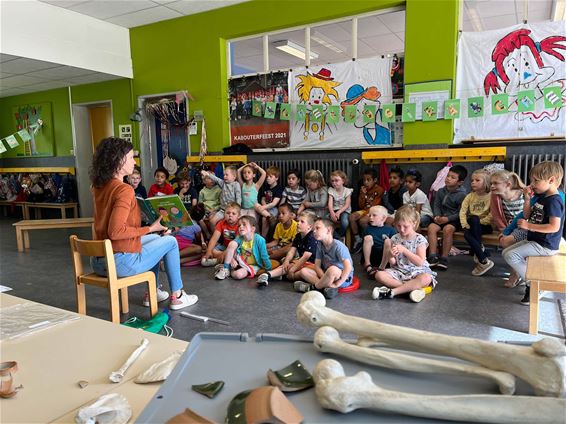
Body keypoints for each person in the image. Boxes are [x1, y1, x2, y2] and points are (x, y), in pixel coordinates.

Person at [89, 137, 198, 310]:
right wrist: (150, 228)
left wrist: (150, 229)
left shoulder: (98, 186)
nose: (134, 161)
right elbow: (116, 231)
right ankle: (177, 296)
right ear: (119, 160)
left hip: (98, 260)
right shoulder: (124, 189)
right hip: (118, 262)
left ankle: (152, 292)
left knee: (155, 239)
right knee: (170, 241)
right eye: (131, 157)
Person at [503, 161, 564, 305]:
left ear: (551, 180)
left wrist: (529, 226)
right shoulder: (543, 196)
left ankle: (536, 285)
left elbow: (554, 227)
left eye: (536, 180)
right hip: (535, 240)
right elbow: (527, 215)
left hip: (546, 245)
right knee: (507, 252)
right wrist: (527, 199)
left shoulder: (554, 201)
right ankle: (532, 282)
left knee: (511, 256)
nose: (532, 184)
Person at [373, 205, 437, 303]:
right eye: (398, 226)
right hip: (400, 271)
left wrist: (404, 250)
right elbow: (393, 263)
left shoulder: (419, 239)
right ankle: (409, 289)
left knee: (426, 278)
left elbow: (420, 262)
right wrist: (391, 254)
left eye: (405, 226)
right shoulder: (395, 238)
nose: (401, 229)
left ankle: (393, 292)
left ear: (414, 223)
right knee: (379, 275)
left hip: (417, 271)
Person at [293, 218, 354, 300]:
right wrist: (323, 278)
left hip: (342, 277)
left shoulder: (338, 246)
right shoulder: (319, 245)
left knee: (333, 270)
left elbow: (348, 268)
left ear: (328, 230)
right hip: (327, 274)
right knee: (304, 271)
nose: (314, 231)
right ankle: (325, 288)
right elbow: (317, 266)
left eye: (317, 228)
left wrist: (337, 284)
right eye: (313, 229)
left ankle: (312, 288)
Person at [256, 210, 317, 288]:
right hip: (302, 263)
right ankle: (267, 275)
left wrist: (293, 268)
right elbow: (291, 251)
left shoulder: (312, 237)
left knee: (295, 270)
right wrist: (286, 261)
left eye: (302, 222)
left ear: (310, 226)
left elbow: (306, 256)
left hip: (312, 265)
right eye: (298, 221)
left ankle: (280, 276)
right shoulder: (298, 236)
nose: (298, 223)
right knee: (287, 266)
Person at [427, 164, 468, 270]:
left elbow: (461, 213)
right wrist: (437, 216)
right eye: (448, 176)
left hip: (454, 220)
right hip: (441, 218)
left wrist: (448, 219)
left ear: (460, 182)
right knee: (431, 227)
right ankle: (432, 256)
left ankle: (444, 258)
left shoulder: (462, 195)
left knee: (447, 229)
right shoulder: (441, 191)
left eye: (453, 177)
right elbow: (436, 205)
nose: (448, 179)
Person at [490, 169, 527, 287]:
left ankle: (515, 274)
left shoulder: (522, 193)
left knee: (509, 243)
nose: (492, 186)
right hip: (509, 228)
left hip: (524, 227)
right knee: (506, 242)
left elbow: (528, 214)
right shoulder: (495, 196)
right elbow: (496, 216)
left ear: (508, 185)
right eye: (491, 183)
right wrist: (504, 231)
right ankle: (517, 272)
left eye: (495, 183)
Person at [214, 215, 273, 280]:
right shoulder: (239, 238)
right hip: (240, 261)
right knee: (232, 244)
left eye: (244, 224)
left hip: (253, 265)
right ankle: (226, 268)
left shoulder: (260, 240)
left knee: (238, 275)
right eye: (239, 225)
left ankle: (229, 268)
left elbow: (264, 256)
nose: (241, 227)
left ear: (252, 229)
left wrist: (269, 270)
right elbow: (231, 248)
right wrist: (232, 259)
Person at [460, 169, 493, 276]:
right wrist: (464, 224)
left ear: (486, 182)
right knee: (472, 220)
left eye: (477, 180)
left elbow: (492, 214)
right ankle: (483, 259)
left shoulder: (492, 196)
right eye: (472, 180)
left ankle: (478, 250)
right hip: (472, 224)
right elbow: (463, 211)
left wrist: (479, 222)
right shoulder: (470, 196)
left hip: (485, 226)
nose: (473, 182)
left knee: (474, 222)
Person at [350, 168, 384, 253]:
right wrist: (362, 194)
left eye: (368, 180)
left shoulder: (379, 190)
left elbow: (374, 206)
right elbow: (361, 205)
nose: (366, 182)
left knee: (362, 221)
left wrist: (366, 196)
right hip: (364, 210)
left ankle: (371, 238)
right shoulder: (363, 189)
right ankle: (358, 240)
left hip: (374, 211)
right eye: (364, 180)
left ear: (375, 180)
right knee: (351, 217)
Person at [202, 166, 242, 231]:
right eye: (224, 175)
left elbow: (238, 197)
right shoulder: (223, 183)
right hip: (223, 210)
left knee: (234, 223)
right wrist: (207, 174)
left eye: (227, 175)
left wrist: (237, 209)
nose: (224, 177)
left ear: (234, 177)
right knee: (212, 221)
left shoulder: (236, 185)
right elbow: (216, 179)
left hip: (233, 211)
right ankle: (216, 236)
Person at [201, 202, 240, 267]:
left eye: (233, 213)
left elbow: (238, 243)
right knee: (213, 251)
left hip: (236, 248)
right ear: (224, 214)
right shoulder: (221, 223)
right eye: (228, 213)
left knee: (238, 254)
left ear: (238, 216)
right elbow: (214, 239)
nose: (230, 215)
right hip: (224, 247)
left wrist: (227, 252)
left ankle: (217, 261)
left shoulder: (239, 225)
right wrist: (209, 251)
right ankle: (226, 259)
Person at [362, 205, 397, 278]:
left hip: (385, 257)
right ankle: (367, 264)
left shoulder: (391, 230)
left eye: (374, 215)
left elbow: (394, 245)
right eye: (370, 215)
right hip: (372, 255)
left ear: (383, 218)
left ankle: (382, 268)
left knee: (388, 241)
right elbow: (366, 244)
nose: (371, 217)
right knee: (367, 238)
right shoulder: (368, 229)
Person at [255, 166, 283, 238]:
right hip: (265, 207)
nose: (268, 178)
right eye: (267, 177)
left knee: (264, 218)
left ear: (276, 178)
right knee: (255, 210)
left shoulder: (279, 189)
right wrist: (263, 205)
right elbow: (263, 199)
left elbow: (274, 203)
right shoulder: (266, 186)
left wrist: (264, 207)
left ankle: (263, 237)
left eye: (270, 176)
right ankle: (256, 234)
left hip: (273, 208)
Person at [327, 170, 353, 241]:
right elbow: (330, 204)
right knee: (325, 222)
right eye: (332, 181)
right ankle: (338, 238)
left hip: (344, 211)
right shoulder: (331, 190)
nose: (334, 183)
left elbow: (347, 205)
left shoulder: (347, 191)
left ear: (343, 181)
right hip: (334, 210)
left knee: (345, 222)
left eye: (336, 180)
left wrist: (339, 212)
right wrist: (332, 213)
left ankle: (339, 236)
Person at [198, 174, 221, 239]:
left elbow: (220, 203)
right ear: (204, 181)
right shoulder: (202, 191)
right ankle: (207, 234)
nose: (212, 180)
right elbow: (200, 203)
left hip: (214, 210)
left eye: (213, 178)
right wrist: (203, 209)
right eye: (209, 178)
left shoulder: (218, 190)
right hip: (205, 210)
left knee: (211, 219)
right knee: (200, 220)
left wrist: (214, 210)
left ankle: (214, 236)